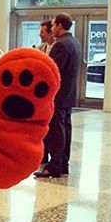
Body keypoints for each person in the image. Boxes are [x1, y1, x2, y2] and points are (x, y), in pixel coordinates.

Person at [35, 13, 81, 178]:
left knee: (57, 131)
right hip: (68, 95)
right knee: (65, 129)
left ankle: (54, 166)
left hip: (58, 96)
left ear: (60, 26)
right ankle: (63, 164)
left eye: (53, 25)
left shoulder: (61, 44)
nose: (52, 28)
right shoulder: (74, 42)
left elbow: (52, 71)